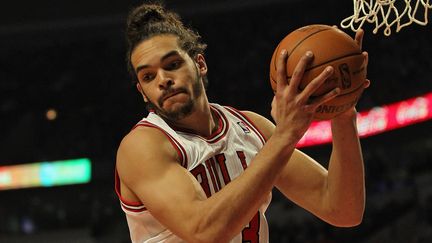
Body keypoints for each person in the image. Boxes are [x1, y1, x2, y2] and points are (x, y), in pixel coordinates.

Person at [115, 2, 369, 242]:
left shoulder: (250, 127)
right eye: (149, 76)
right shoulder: (142, 146)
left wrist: (343, 113)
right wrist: (285, 135)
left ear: (199, 63)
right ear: (142, 91)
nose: (163, 80)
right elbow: (205, 232)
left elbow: (343, 210)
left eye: (173, 64)